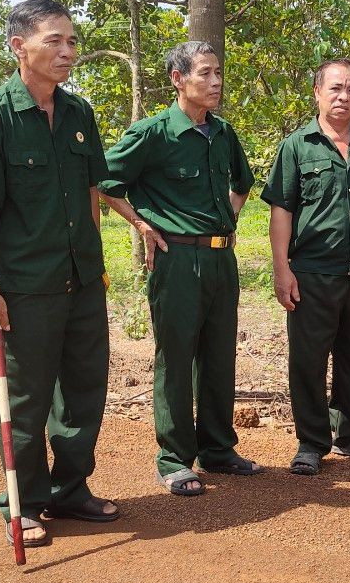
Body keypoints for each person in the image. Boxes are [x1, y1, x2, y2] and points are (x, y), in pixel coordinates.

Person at [0, 0, 119, 548]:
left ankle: (70, 488)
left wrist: (96, 262)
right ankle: (22, 502)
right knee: (24, 400)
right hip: (25, 287)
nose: (68, 52)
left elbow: (93, 190)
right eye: (55, 41)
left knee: (83, 390)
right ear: (18, 47)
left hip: (81, 279)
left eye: (72, 41)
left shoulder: (79, 115)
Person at [101, 41, 258, 496]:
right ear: (177, 79)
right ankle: (174, 458)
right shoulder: (152, 134)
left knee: (218, 355)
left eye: (218, 74)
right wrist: (141, 224)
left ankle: (218, 449)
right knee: (175, 357)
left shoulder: (224, 134)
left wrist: (224, 222)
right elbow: (105, 180)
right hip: (177, 259)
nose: (215, 82)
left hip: (220, 258)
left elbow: (242, 183)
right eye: (205, 73)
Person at [260, 58, 350, 475]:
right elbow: (282, 211)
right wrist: (281, 268)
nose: (344, 96)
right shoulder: (296, 146)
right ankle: (311, 442)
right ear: (317, 93)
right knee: (308, 359)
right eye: (336, 88)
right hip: (312, 273)